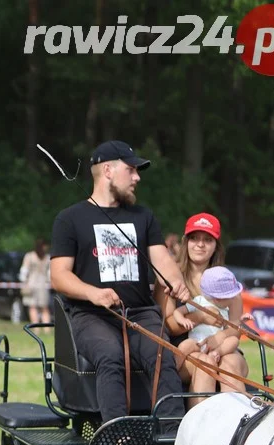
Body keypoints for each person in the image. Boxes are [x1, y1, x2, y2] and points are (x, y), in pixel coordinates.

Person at [50, 140, 190, 423]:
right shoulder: (70, 219)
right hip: (92, 315)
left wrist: (176, 281)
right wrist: (94, 293)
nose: (137, 178)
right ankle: (116, 436)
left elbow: (162, 259)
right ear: (108, 170)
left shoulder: (143, 216)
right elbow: (59, 275)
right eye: (132, 170)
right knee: (110, 354)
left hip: (141, 312)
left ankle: (172, 433)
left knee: (161, 353)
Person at [160, 213, 249, 395]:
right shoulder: (171, 276)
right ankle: (200, 421)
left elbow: (235, 329)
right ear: (186, 242)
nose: (200, 244)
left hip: (223, 348)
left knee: (230, 363)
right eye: (194, 238)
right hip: (187, 349)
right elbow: (165, 325)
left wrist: (217, 343)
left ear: (216, 245)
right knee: (205, 364)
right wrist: (200, 317)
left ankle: (238, 420)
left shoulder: (226, 280)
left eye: (207, 240)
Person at [172, 267, 244, 384]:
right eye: (229, 296)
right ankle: (172, 371)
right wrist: (183, 320)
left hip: (218, 344)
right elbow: (178, 312)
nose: (232, 298)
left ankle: (217, 353)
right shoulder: (199, 301)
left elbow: (233, 328)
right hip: (197, 341)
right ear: (219, 299)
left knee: (233, 341)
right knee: (184, 346)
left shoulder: (225, 308)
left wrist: (224, 333)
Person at [20, 237, 52, 326]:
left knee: (37, 307)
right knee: (40, 308)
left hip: (34, 284)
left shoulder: (30, 256)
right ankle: (42, 328)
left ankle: (40, 328)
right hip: (40, 285)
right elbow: (50, 274)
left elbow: (23, 272)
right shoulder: (46, 257)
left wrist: (23, 281)